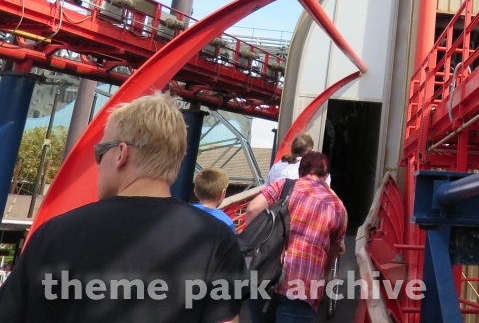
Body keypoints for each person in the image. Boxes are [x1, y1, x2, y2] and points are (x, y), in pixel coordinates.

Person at [0, 93, 247, 323]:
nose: (98, 165)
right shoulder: (215, 239)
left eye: (100, 153)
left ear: (121, 153)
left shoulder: (52, 234)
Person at [245, 151, 346, 322]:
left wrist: (255, 239)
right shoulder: (338, 207)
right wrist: (324, 277)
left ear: (300, 171)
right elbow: (334, 248)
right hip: (303, 286)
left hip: (265, 274)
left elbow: (253, 209)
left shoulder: (283, 185)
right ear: (326, 176)